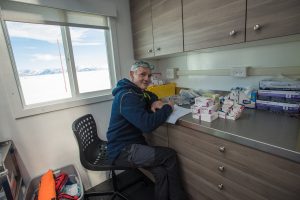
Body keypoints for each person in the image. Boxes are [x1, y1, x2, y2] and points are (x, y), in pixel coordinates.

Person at [106, 60, 186, 200]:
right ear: (132, 74)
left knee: (161, 172)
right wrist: (168, 107)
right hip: (122, 150)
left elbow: (148, 95)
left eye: (149, 76)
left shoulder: (136, 91)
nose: (147, 79)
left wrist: (154, 100)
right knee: (170, 155)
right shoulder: (127, 96)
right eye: (142, 74)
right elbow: (147, 125)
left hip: (131, 145)